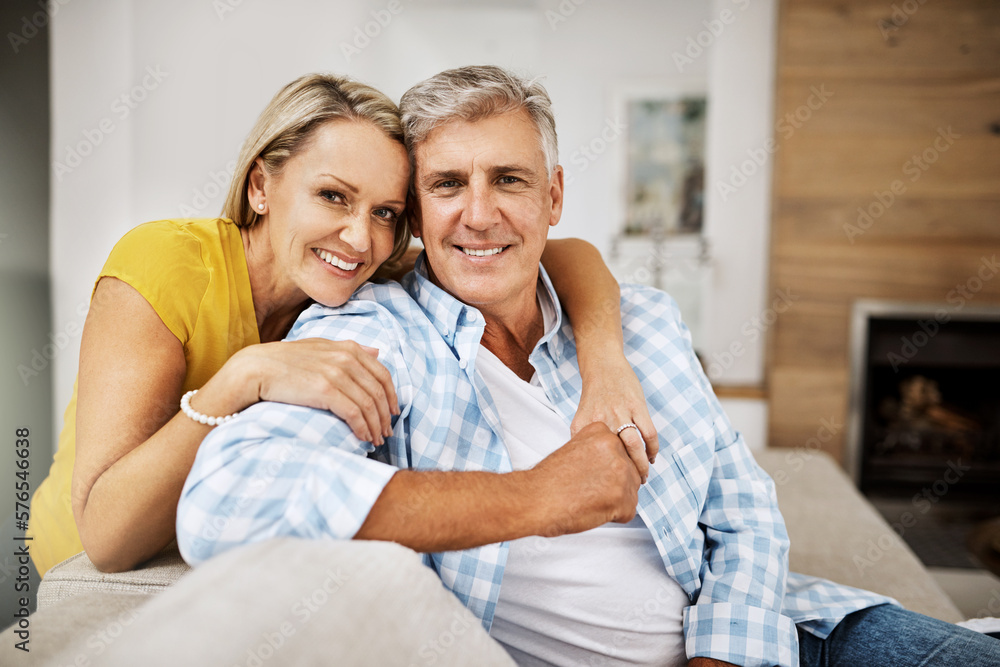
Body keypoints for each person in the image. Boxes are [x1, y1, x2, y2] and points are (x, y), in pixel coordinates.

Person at [176, 66, 1000, 666]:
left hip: (786, 636)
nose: (480, 212)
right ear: (420, 214)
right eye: (448, 184)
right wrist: (539, 497)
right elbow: (223, 506)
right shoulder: (372, 335)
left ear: (554, 197)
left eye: (509, 179)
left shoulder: (639, 322)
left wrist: (724, 657)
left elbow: (743, 509)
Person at [27, 72, 656, 578]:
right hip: (72, 555)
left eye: (386, 211)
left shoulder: (360, 272)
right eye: (333, 196)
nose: (359, 236)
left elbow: (564, 253)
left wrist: (605, 362)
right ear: (260, 187)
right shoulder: (166, 265)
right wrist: (242, 378)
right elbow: (106, 540)